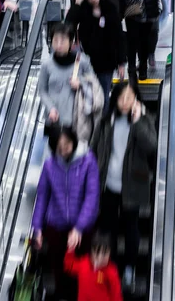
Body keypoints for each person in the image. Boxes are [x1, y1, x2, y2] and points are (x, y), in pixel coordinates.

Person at [91, 81, 157, 290]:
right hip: (108, 184)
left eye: (130, 97)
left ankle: (129, 268)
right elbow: (94, 149)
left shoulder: (145, 119)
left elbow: (151, 146)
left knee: (131, 228)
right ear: (115, 99)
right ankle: (108, 268)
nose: (126, 102)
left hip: (132, 185)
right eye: (122, 97)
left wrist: (137, 122)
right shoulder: (105, 121)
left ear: (136, 98)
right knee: (107, 228)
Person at [32, 127, 100, 300]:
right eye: (58, 145)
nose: (63, 149)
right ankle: (63, 295)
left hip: (83, 227)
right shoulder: (49, 164)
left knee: (83, 268)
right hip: (56, 224)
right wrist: (37, 228)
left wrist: (78, 228)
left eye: (67, 144)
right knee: (59, 268)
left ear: (74, 141)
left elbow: (92, 195)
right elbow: (42, 196)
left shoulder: (88, 161)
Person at [67, 0, 125, 110]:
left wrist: (121, 62)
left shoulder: (110, 6)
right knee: (86, 95)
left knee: (103, 96)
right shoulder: (82, 8)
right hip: (86, 61)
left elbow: (119, 36)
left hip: (107, 61)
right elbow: (68, 26)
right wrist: (77, 2)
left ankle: (102, 126)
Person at [38, 23, 94, 130]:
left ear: (71, 41)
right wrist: (51, 108)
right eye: (55, 40)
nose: (59, 45)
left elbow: (93, 83)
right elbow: (42, 90)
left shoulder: (82, 61)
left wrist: (80, 83)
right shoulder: (47, 64)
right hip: (54, 118)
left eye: (62, 41)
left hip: (77, 118)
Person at [64, 232, 123, 301]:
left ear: (110, 253)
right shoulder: (83, 264)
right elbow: (69, 265)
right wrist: (71, 248)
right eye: (97, 253)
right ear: (91, 252)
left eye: (104, 254)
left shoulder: (112, 272)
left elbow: (116, 295)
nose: (100, 257)